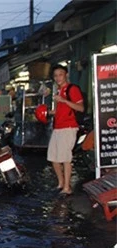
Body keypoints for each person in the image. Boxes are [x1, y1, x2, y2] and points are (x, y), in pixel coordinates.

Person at [47, 64, 84, 196]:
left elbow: (80, 108)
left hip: (68, 127)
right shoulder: (58, 91)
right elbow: (59, 110)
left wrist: (64, 100)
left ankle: (67, 187)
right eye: (55, 75)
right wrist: (49, 112)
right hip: (57, 127)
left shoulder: (72, 89)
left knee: (65, 158)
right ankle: (61, 183)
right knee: (53, 157)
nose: (58, 78)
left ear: (66, 75)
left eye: (60, 74)